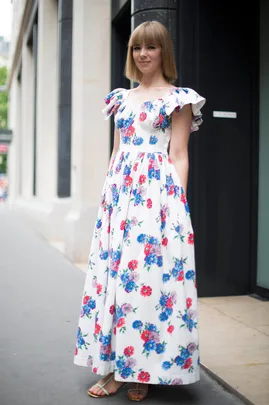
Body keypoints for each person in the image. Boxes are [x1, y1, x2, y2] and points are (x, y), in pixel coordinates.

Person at [74, 20, 206, 401]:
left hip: (156, 197)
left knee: (146, 278)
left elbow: (179, 155)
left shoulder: (179, 99)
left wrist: (177, 207)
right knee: (115, 279)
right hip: (119, 195)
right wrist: (106, 194)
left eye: (150, 47)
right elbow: (118, 150)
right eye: (136, 48)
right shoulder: (121, 98)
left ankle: (142, 369)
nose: (143, 54)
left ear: (164, 51)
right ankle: (114, 367)